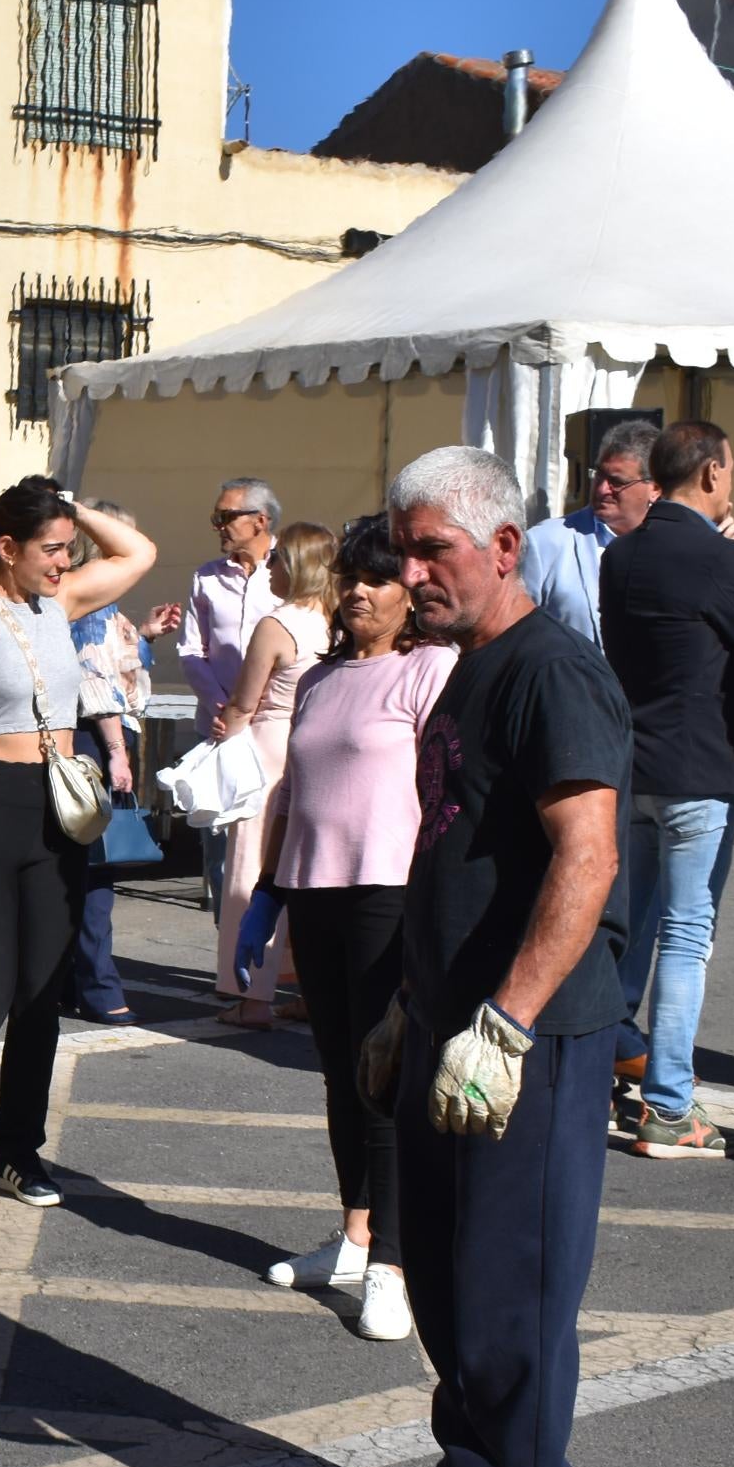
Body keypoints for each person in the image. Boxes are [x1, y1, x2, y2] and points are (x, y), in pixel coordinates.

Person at [348, 444, 627, 1467]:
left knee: (515, 1292)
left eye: (433, 551)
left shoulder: (552, 671)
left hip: (527, 1036)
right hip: (447, 1019)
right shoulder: (471, 666)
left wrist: (506, 1021)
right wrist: (409, 1005)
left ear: (505, 547)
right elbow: (455, 852)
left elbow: (587, 856)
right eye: (403, 551)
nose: (412, 572)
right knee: (450, 1276)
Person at [0, 476, 158, 1214]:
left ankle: (16, 1153)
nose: (63, 561)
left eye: (68, 549)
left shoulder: (64, 602)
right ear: (9, 549)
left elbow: (139, 553)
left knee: (40, 995)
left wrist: (68, 507)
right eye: (50, 549)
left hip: (56, 811)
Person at [257, 517, 454, 1343]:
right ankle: (355, 1235)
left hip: (388, 891)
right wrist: (268, 890)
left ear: (410, 592)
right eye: (350, 577)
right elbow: (293, 791)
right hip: (314, 890)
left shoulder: (430, 668)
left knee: (385, 1078)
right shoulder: (317, 677)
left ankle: (393, 1268)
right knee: (341, 1074)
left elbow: (445, 795)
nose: (358, 592)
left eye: (377, 578)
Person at [600, 421, 734, 1159]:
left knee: (628, 928)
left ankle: (602, 1070)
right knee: (684, 935)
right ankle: (670, 1104)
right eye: (729, 470)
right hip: (699, 769)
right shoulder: (717, 555)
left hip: (636, 765)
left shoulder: (621, 553)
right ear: (710, 473)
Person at [209, 521, 335, 1025]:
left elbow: (245, 701)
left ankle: (252, 994)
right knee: (307, 872)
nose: (269, 567)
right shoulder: (338, 623)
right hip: (318, 748)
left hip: (268, 746)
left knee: (252, 866)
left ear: (298, 566)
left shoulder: (276, 625)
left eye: (278, 558)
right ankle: (308, 988)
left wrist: (225, 731)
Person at [145, 478, 277, 907]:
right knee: (220, 847)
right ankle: (226, 929)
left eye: (225, 516)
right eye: (214, 517)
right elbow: (191, 649)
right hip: (218, 728)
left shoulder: (289, 573)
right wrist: (220, 705)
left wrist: (249, 709)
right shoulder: (207, 577)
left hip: (272, 727)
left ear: (260, 521)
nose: (217, 526)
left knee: (269, 840)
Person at [66, 599, 151, 1023]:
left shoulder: (96, 605)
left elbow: (119, 668)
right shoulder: (92, 607)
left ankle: (69, 982)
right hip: (96, 741)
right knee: (94, 873)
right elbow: (99, 686)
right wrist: (117, 751)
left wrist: (145, 634)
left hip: (90, 738)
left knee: (76, 868)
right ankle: (99, 987)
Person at [518, 418, 657, 641]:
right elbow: (515, 632)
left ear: (655, 488)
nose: (602, 489)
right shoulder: (546, 542)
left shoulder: (673, 547)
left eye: (616, 482)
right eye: (599, 475)